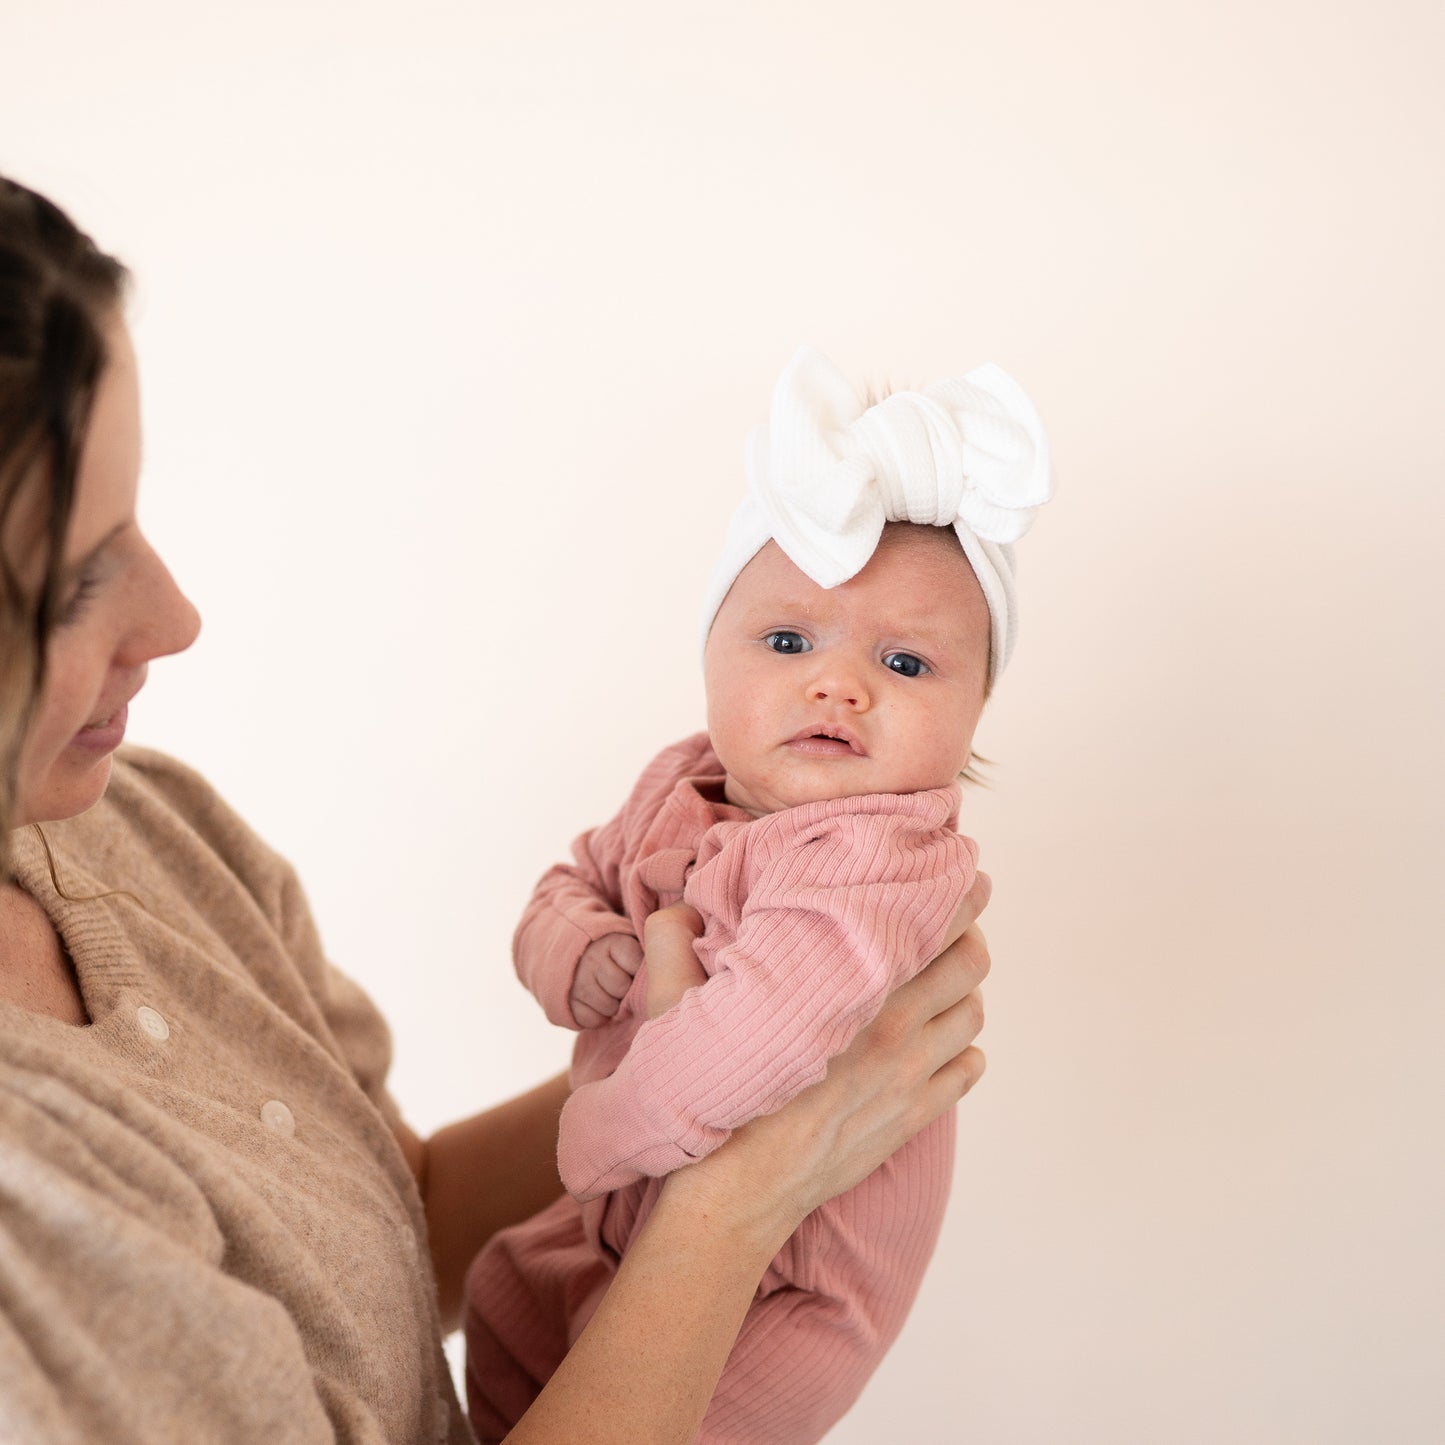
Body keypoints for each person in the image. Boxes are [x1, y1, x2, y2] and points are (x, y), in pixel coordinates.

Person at [0, 177, 992, 1444]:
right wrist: (730, 1188)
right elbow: (573, 891)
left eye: (137, 519)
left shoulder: (149, 828)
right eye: (80, 578)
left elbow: (379, 1210)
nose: (176, 616)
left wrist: (695, 1048)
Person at [465, 348, 1050, 1442]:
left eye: (908, 664)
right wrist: (577, 945)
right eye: (786, 640)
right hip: (616, 1219)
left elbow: (749, 1035)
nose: (838, 683)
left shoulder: (877, 859)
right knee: (504, 1293)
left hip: (793, 1280)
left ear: (975, 710)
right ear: (709, 654)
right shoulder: (675, 781)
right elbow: (567, 880)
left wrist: (592, 1130)